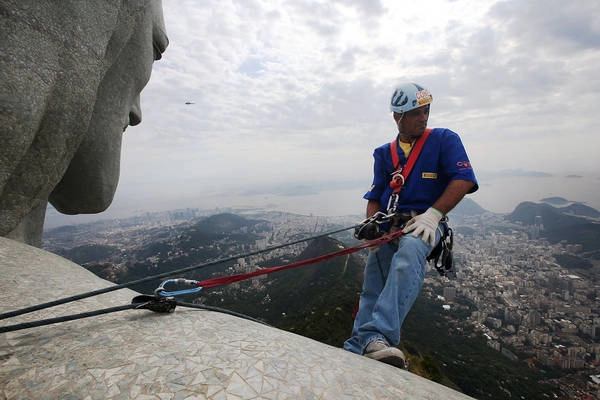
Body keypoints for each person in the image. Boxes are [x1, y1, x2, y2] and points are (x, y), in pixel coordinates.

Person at [343, 82, 478, 369]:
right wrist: (371, 224)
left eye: (426, 111)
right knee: (373, 282)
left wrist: (434, 214)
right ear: (397, 116)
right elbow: (376, 195)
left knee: (409, 253)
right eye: (416, 113)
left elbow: (463, 179)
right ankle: (357, 345)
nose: (424, 117)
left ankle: (380, 335)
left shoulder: (443, 140)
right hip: (390, 225)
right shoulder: (384, 153)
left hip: (425, 222)